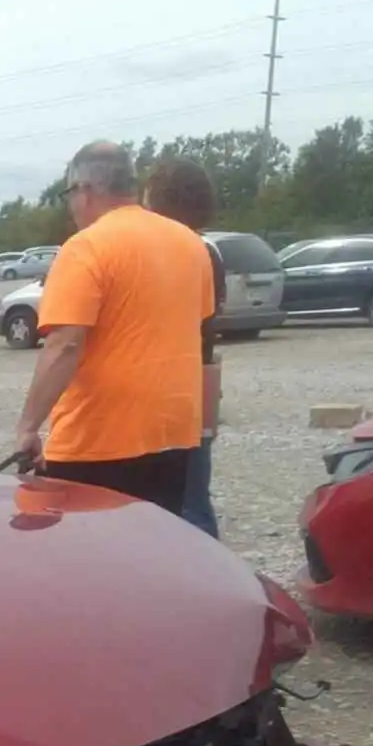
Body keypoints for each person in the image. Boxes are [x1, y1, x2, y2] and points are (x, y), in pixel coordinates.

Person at [12, 141, 216, 517]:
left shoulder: (85, 247)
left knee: (93, 566)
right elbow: (193, 324)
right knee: (150, 555)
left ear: (85, 190)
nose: (71, 206)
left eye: (69, 194)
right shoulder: (190, 244)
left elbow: (65, 345)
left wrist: (28, 427)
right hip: (174, 436)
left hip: (98, 444)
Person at [143, 157, 226, 536]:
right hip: (199, 384)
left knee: (182, 505)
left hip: (168, 389)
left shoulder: (177, 252)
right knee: (195, 497)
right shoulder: (209, 252)